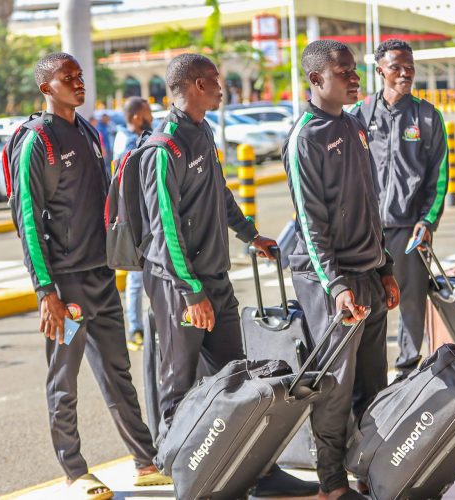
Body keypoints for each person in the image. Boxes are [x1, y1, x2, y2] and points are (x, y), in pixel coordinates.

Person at [138, 52, 318, 497]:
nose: (223, 88)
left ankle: (258, 469)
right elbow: (164, 229)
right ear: (197, 86)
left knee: (238, 375)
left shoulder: (202, 131)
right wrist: (190, 290)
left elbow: (219, 192)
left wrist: (250, 235)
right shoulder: (164, 146)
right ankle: (179, 468)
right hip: (181, 287)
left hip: (213, 279)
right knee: (178, 383)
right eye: (216, 81)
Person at [8, 52, 169, 500]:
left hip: (101, 275)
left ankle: (144, 460)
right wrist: (46, 291)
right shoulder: (37, 140)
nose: (79, 83)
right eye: (68, 78)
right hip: (66, 284)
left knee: (118, 370)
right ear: (46, 88)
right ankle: (74, 471)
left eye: (80, 76)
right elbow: (27, 217)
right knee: (65, 378)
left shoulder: (88, 132)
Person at [284, 40, 400, 499]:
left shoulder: (353, 126)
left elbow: (371, 205)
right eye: (344, 72)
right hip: (330, 280)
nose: (355, 79)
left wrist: (385, 266)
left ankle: (368, 467)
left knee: (373, 382)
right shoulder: (304, 138)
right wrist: (335, 285)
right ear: (316, 79)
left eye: (354, 71)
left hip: (368, 272)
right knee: (335, 385)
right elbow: (311, 225)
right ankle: (331, 483)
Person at [350, 38, 447, 374]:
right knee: (364, 300)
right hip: (366, 229)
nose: (405, 73)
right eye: (396, 67)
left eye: (409, 67)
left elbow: (440, 174)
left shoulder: (427, 116)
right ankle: (365, 372)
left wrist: (428, 221)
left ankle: (407, 368)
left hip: (408, 228)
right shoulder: (359, 114)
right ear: (380, 71)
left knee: (410, 302)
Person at [113, 97, 154, 350]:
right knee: (137, 279)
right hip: (135, 221)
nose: (151, 116)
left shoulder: (127, 139)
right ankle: (136, 328)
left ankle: (143, 327)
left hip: (143, 218)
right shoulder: (129, 144)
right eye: (148, 112)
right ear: (138, 117)